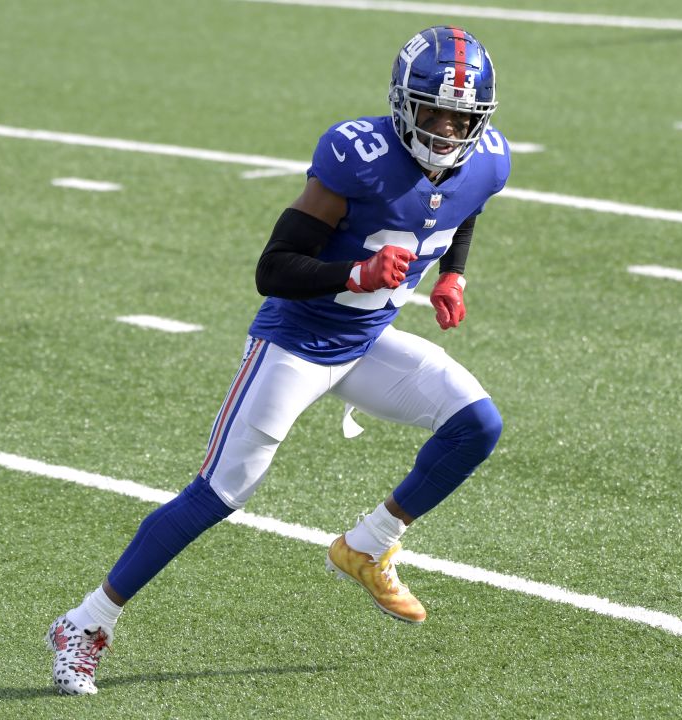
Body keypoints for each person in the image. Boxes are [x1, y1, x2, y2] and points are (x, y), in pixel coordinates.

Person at [47, 25, 511, 696]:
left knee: (478, 425)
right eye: (433, 110)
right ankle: (86, 624)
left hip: (369, 340)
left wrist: (453, 277)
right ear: (402, 102)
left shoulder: (489, 159)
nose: (446, 128)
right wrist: (354, 274)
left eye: (461, 116)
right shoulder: (359, 155)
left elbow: (464, 209)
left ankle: (368, 544)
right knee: (219, 493)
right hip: (295, 342)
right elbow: (274, 269)